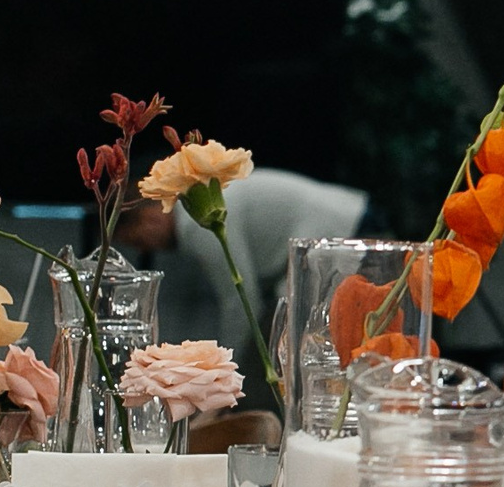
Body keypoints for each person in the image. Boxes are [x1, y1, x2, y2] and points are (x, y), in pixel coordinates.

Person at [117, 167, 365, 402]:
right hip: (346, 214)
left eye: (140, 240)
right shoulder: (198, 211)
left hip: (344, 230)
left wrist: (224, 376)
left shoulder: (195, 225)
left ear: (150, 218)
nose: (147, 248)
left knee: (288, 346)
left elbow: (240, 302)